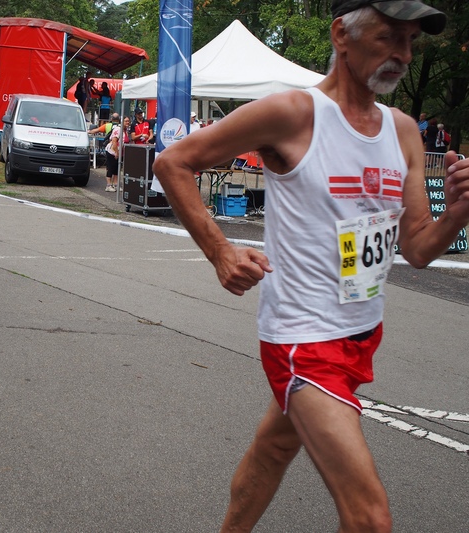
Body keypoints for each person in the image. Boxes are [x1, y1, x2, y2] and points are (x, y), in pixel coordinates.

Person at [152, 2, 465, 532]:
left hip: (361, 334)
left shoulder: (403, 130)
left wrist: (457, 215)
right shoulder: (293, 113)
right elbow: (172, 162)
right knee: (370, 518)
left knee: (274, 449)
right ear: (341, 34)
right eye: (390, 36)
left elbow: (416, 249)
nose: (403, 54)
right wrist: (221, 250)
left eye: (411, 41)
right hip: (302, 340)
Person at [103, 113, 121, 192]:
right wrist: (117, 152)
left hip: (117, 150)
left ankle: (115, 185)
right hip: (111, 150)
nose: (127, 123)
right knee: (111, 168)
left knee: (116, 168)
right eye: (126, 121)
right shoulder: (118, 128)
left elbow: (96, 130)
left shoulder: (107, 125)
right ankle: (109, 185)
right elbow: (114, 141)